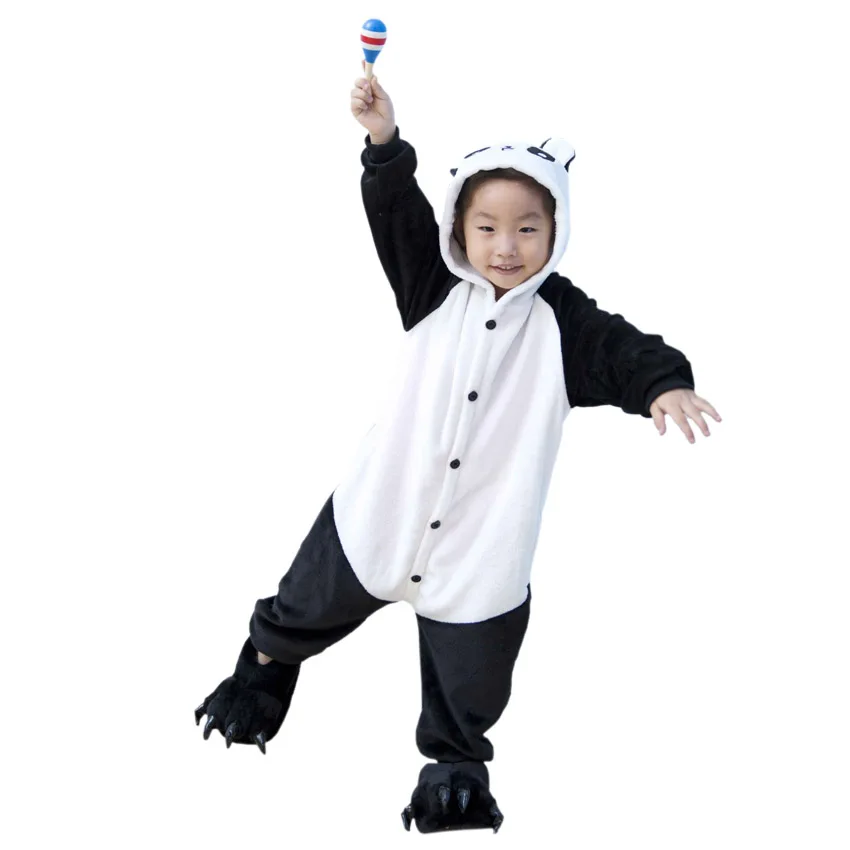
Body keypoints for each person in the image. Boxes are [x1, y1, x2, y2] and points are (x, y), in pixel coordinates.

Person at [194, 63, 722, 834]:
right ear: (458, 229)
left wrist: (663, 386)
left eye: (527, 229)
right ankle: (264, 673)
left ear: (556, 231)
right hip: (382, 508)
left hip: (483, 542)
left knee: (474, 668)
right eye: (486, 228)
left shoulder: (564, 323)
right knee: (304, 603)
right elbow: (395, 212)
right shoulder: (430, 286)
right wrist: (384, 142)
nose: (505, 247)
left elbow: (627, 351)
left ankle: (455, 768)